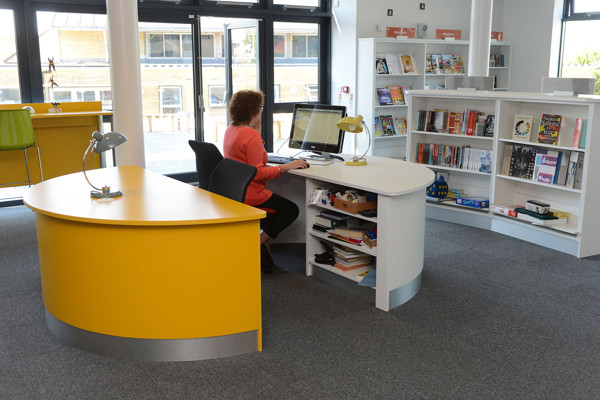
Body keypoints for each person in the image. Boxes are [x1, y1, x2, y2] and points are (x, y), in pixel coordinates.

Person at [223, 90, 309, 273]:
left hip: (236, 191)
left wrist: (256, 129)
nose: (261, 111)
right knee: (291, 210)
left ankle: (264, 259)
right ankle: (252, 243)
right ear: (253, 110)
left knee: (271, 216)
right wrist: (286, 167)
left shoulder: (230, 130)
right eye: (260, 108)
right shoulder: (251, 135)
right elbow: (259, 172)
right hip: (252, 193)